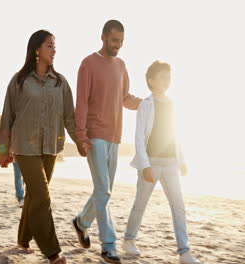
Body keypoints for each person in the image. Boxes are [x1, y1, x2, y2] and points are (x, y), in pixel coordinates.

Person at [0, 29, 77, 264]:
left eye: (55, 45)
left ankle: (23, 239)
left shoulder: (60, 82)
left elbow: (69, 117)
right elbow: (7, 119)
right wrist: (2, 151)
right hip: (24, 146)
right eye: (49, 45)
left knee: (33, 195)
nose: (54, 50)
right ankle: (52, 251)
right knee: (42, 196)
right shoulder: (19, 81)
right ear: (36, 49)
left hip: (51, 146)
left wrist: (80, 142)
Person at [71, 20, 142, 264]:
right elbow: (81, 102)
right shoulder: (88, 64)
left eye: (121, 41)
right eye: (114, 41)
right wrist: (80, 136)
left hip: (115, 135)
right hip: (94, 135)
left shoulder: (121, 65)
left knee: (104, 191)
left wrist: (146, 104)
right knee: (104, 190)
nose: (118, 46)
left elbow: (124, 97)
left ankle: (81, 222)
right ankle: (108, 246)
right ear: (103, 37)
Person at [122, 61, 201, 264]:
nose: (167, 81)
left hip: (170, 163)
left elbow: (176, 135)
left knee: (178, 206)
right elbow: (139, 137)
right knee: (140, 204)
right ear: (151, 80)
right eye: (163, 77)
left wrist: (182, 160)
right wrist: (145, 165)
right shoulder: (146, 105)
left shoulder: (172, 104)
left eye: (169, 77)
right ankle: (129, 240)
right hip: (151, 163)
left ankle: (184, 252)